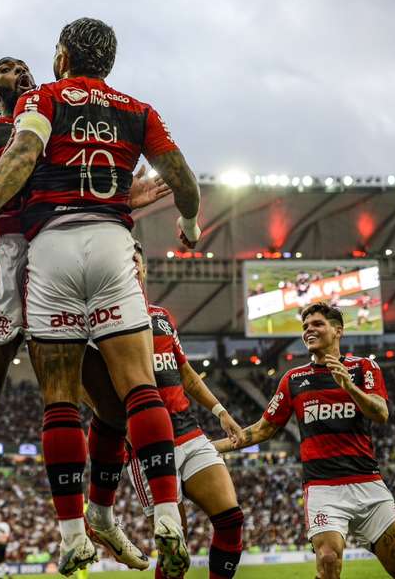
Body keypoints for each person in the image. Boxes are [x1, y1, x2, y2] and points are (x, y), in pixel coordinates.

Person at [0, 17, 202, 576]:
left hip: (51, 248)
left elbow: (21, 158)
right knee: (140, 389)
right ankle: (168, 520)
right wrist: (189, 218)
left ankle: (74, 535)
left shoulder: (44, 99)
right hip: (114, 244)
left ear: (60, 56)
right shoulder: (139, 109)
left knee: (60, 398)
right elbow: (183, 176)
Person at [214, 302, 395, 579]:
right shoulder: (294, 379)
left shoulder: (364, 367)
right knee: (328, 559)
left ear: (338, 330)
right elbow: (261, 431)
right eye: (305, 327)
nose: (309, 331)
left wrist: (349, 387)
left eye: (317, 324)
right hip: (323, 488)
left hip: (368, 484)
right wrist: (208, 447)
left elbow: (381, 413)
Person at [117, 242, 245, 579]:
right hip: (148, 443)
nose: (131, 265)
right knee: (175, 547)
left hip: (189, 432)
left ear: (144, 268)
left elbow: (185, 372)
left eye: (135, 260)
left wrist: (220, 411)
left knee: (231, 520)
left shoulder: (161, 317)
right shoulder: (106, 319)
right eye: (123, 260)